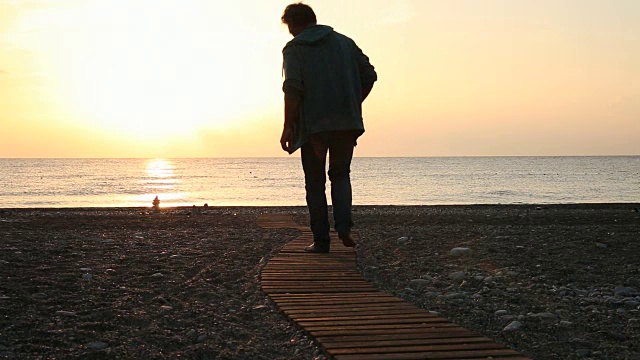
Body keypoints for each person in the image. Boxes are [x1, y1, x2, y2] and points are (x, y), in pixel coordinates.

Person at [279, 3, 377, 253]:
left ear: (292, 23)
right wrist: (352, 103)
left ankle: (321, 241)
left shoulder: (295, 47)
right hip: (346, 123)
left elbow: (292, 87)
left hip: (314, 127)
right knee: (341, 174)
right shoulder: (345, 43)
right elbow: (369, 75)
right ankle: (344, 227)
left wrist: (288, 126)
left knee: (315, 183)